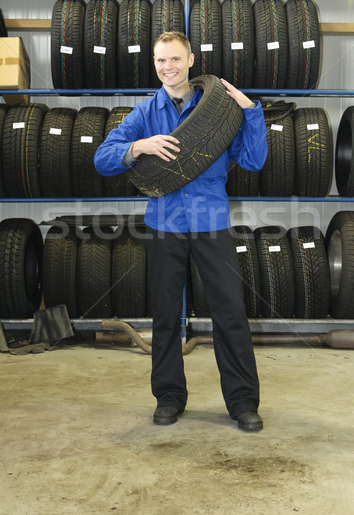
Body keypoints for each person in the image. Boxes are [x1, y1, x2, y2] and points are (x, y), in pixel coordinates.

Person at [94, 31, 268, 432]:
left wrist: (250, 110)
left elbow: (253, 161)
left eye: (175, 59)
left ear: (191, 61)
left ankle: (243, 402)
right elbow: (103, 158)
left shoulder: (220, 108)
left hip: (211, 222)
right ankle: (169, 397)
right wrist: (140, 147)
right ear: (154, 64)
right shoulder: (144, 113)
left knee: (230, 312)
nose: (167, 68)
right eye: (160, 61)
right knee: (166, 314)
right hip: (165, 224)